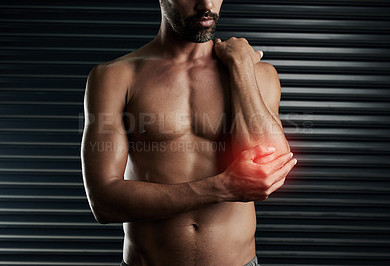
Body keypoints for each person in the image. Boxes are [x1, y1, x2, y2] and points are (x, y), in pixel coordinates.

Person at [81, 0, 296, 265]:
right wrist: (222, 187)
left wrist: (241, 68)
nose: (206, 4)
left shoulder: (257, 75)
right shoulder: (116, 77)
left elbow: (272, 169)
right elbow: (104, 202)